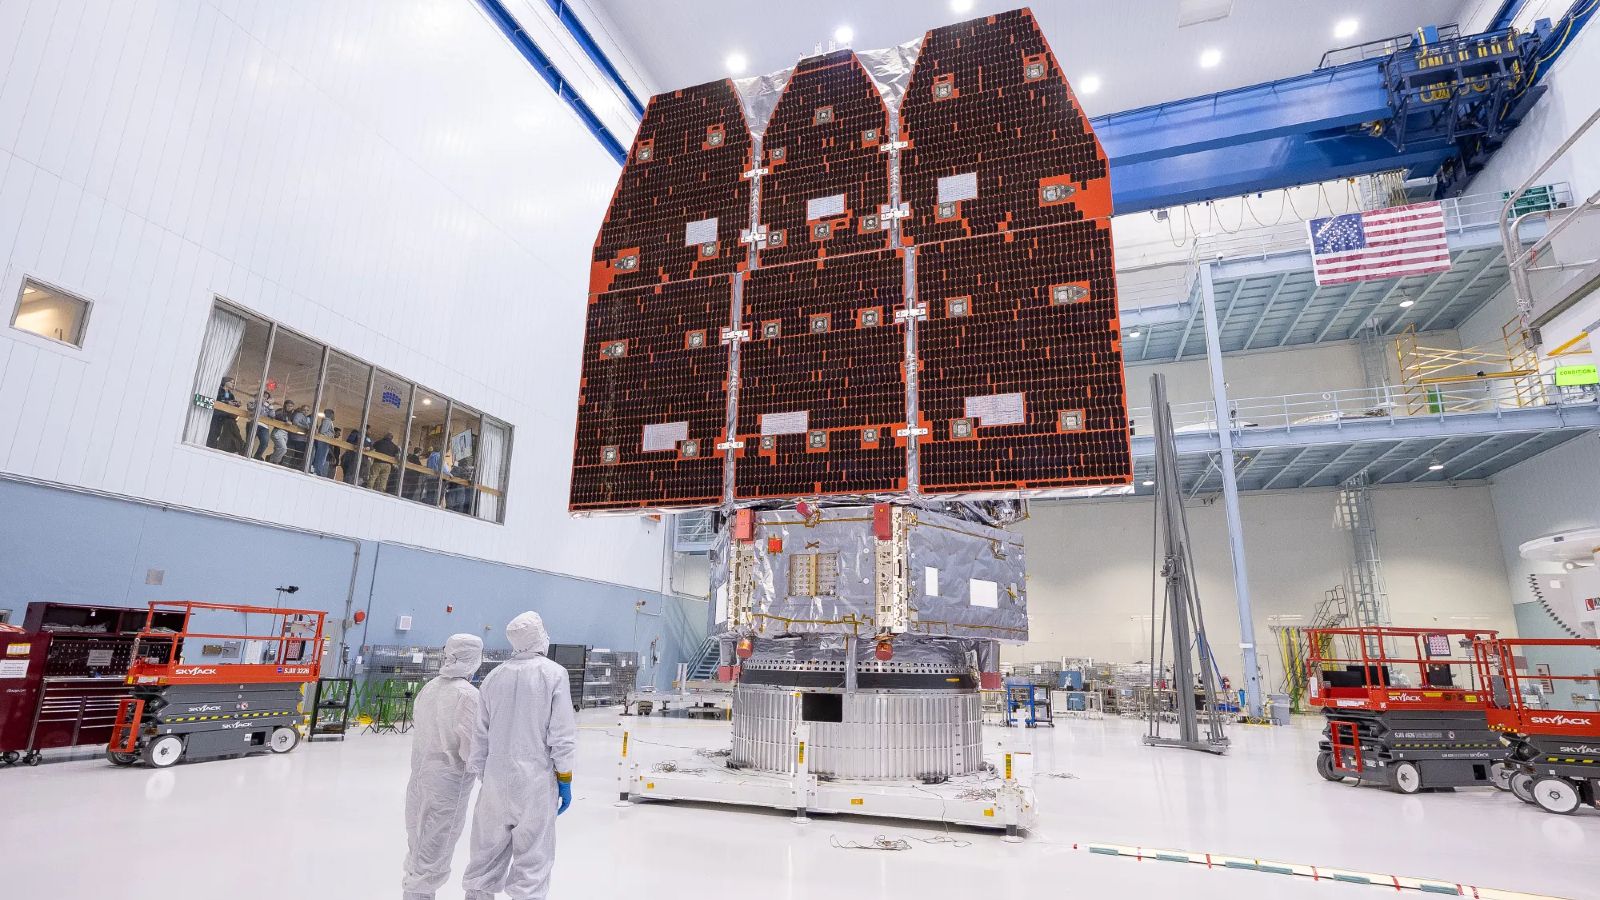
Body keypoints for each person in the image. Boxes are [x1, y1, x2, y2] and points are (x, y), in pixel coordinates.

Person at [462, 612, 576, 900]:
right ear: (539, 635)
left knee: (484, 859)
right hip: (535, 781)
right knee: (533, 862)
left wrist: (485, 777)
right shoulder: (553, 674)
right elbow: (561, 734)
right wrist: (564, 778)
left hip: (494, 781)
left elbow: (479, 735)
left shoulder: (493, 676)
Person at [403, 634, 484, 900]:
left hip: (420, 777)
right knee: (435, 849)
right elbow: (472, 750)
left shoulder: (430, 688)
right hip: (448, 784)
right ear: (473, 658)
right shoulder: (468, 695)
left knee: (417, 844)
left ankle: (413, 893)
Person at [312, 409, 337, 477]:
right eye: (333, 414)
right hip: (323, 441)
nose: (334, 416)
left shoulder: (327, 421)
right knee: (321, 456)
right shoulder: (327, 421)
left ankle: (317, 470)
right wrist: (331, 435)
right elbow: (323, 432)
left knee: (321, 456)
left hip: (324, 441)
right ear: (331, 414)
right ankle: (317, 471)